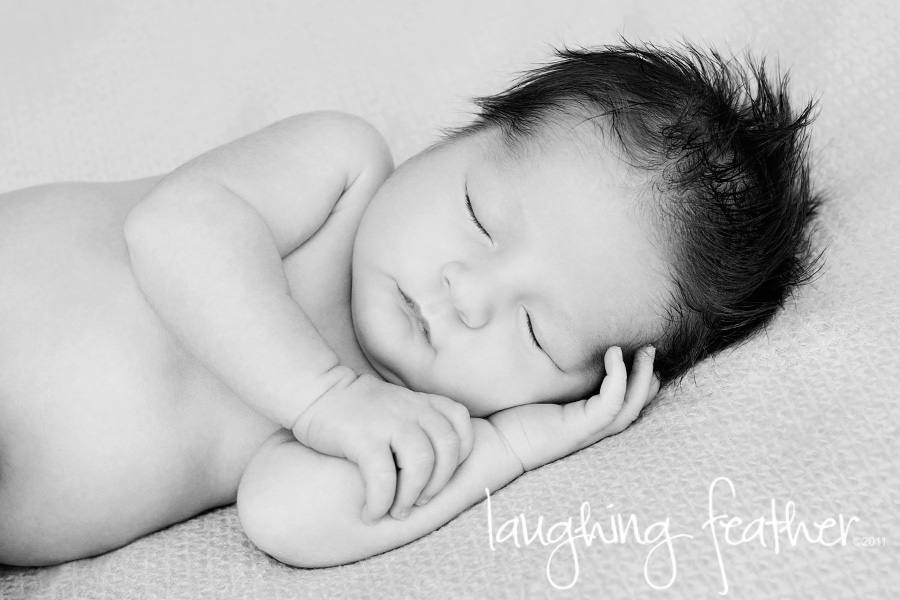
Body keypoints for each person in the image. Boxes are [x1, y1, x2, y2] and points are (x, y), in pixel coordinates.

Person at [0, 41, 821, 567]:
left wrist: (505, 449)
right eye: (479, 216)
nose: (469, 293)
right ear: (450, 141)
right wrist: (326, 396)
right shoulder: (341, 170)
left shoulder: (408, 416)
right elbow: (175, 232)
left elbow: (283, 516)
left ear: (576, 387)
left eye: (536, 334)